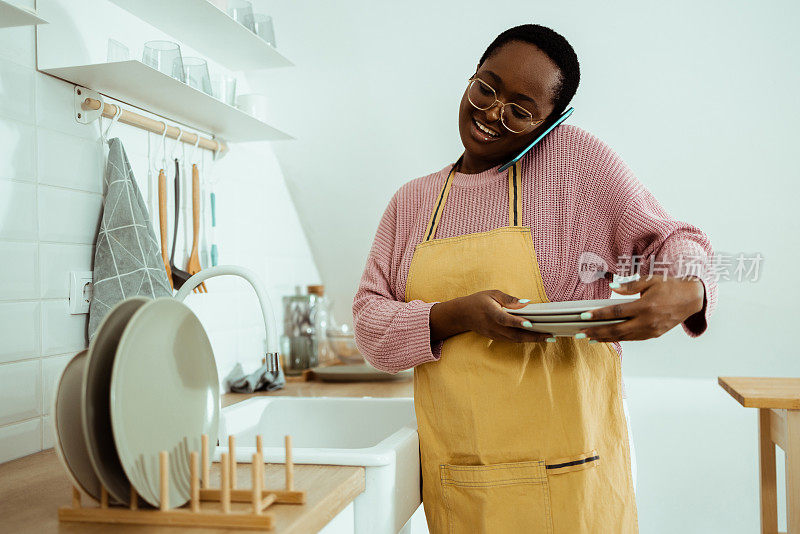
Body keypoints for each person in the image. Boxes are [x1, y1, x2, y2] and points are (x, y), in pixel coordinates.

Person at [352, 23, 716, 534]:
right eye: (487, 87)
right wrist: (456, 315)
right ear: (472, 78)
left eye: (521, 110)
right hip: (463, 484)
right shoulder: (412, 203)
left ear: (550, 123)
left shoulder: (573, 166)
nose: (492, 114)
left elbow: (673, 238)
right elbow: (371, 328)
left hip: (574, 481)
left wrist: (689, 288)